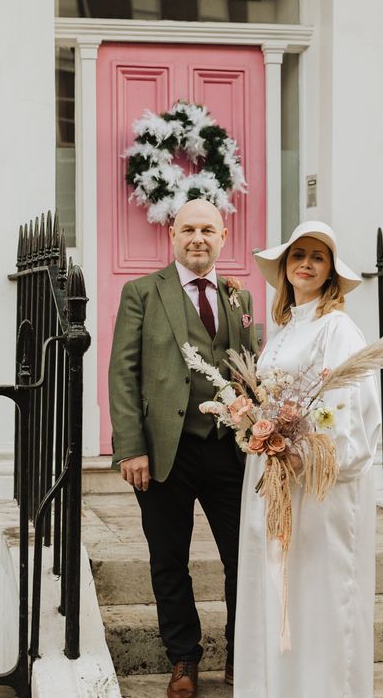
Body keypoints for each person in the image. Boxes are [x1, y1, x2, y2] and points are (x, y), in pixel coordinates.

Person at [108, 198, 258, 698]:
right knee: (168, 558)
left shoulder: (241, 297)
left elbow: (251, 372)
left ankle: (243, 654)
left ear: (224, 236)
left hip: (229, 450)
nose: (198, 238)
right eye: (189, 229)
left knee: (245, 558)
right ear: (172, 234)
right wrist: (130, 447)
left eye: (208, 230)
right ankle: (183, 658)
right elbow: (123, 374)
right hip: (163, 451)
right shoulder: (142, 293)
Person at [233, 221, 381, 697]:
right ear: (285, 268)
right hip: (273, 474)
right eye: (299, 255)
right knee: (276, 583)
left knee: (315, 591)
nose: (306, 264)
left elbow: (350, 406)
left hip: (314, 483)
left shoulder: (337, 328)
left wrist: (301, 455)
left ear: (330, 271)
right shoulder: (283, 331)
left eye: (318, 257)